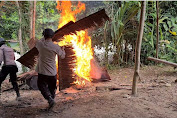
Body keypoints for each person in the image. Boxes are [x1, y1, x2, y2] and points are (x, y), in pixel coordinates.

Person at [35, 28, 65, 109]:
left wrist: (44, 37)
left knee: (41, 85)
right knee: (52, 88)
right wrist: (63, 50)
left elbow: (39, 42)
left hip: (43, 72)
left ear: (44, 36)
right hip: (52, 73)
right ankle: (51, 101)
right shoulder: (55, 47)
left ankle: (49, 99)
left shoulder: (40, 44)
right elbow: (62, 56)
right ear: (52, 36)